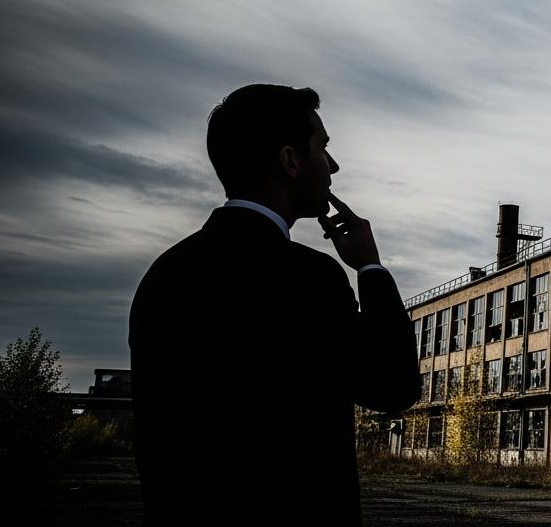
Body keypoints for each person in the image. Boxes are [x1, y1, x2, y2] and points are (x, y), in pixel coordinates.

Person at [129, 84, 419, 526]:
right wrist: (370, 268)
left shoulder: (164, 275)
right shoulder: (310, 279)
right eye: (322, 148)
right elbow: (394, 387)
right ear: (290, 161)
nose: (333, 165)